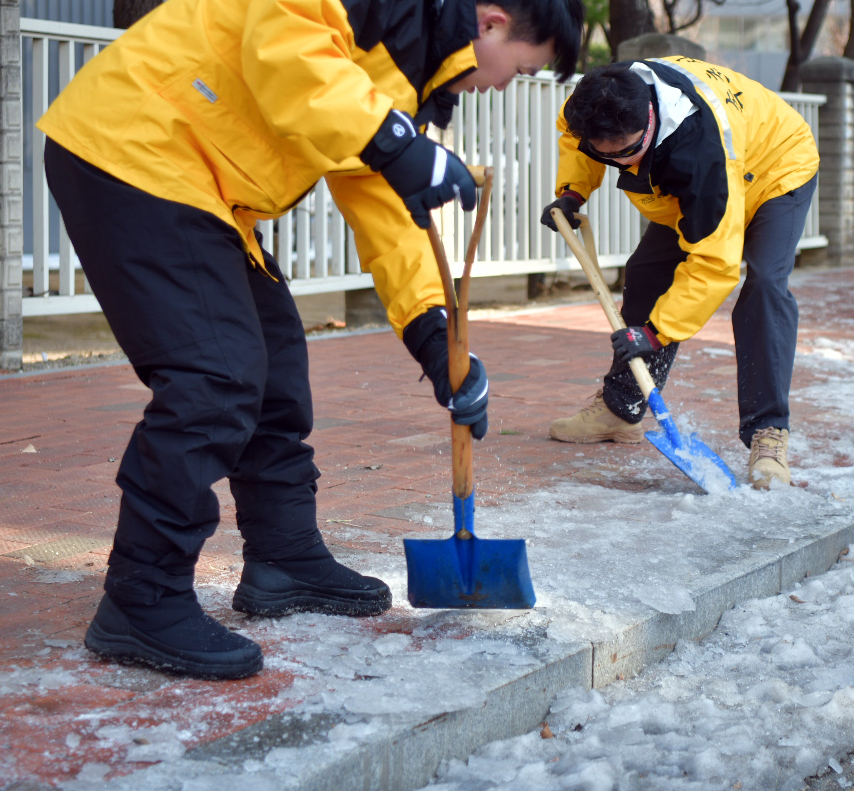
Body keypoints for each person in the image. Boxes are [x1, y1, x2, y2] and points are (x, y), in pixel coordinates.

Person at [38, 0, 582, 680]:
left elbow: (380, 198)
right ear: (493, 22)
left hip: (204, 181)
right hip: (137, 144)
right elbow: (286, 44)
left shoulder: (403, 73)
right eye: (521, 69)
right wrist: (397, 142)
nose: (504, 87)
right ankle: (141, 598)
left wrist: (433, 335)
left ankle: (283, 557)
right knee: (215, 376)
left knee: (275, 368)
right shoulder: (389, 10)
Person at [538, 59, 819, 490]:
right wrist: (573, 192)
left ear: (649, 122)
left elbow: (713, 263)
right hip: (710, 169)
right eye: (604, 155)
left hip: (775, 169)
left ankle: (769, 433)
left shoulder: (700, 152)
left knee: (764, 286)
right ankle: (621, 409)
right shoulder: (598, 99)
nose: (617, 163)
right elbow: (575, 141)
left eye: (626, 153)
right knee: (648, 274)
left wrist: (656, 333)